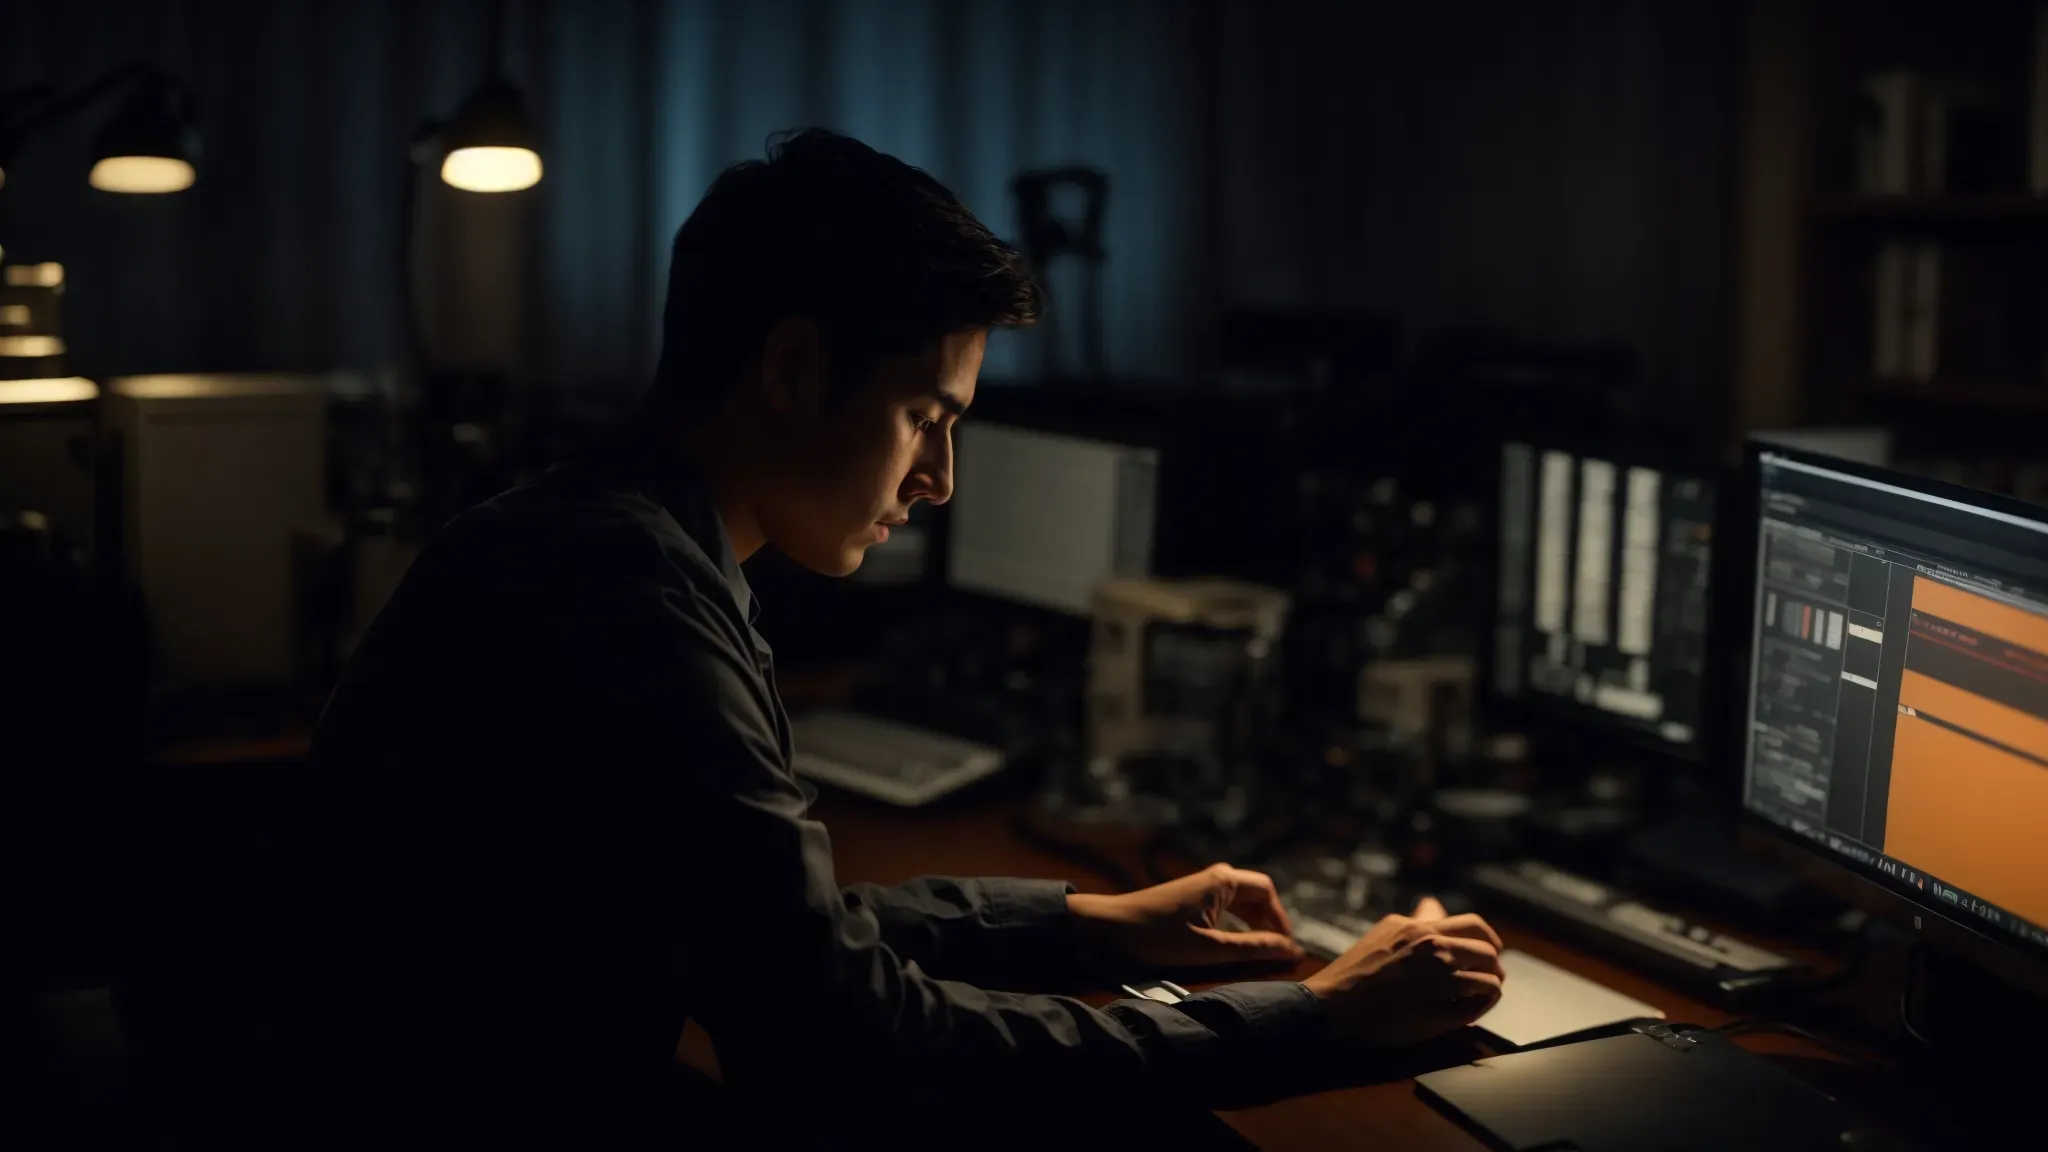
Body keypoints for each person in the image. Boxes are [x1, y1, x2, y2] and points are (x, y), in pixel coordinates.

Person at [282, 129, 1506, 1149]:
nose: (939, 480)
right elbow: (851, 1049)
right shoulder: (636, 600)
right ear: (794, 367)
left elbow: (771, 937)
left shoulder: (611, 536)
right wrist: (1321, 1018)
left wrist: (1089, 923)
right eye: (925, 416)